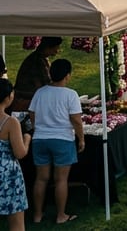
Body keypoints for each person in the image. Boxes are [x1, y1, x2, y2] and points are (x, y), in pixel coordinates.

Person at [28, 59, 82, 225]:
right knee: (61, 180)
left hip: (40, 139)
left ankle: (37, 215)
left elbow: (32, 113)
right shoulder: (70, 95)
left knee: (41, 178)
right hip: (62, 140)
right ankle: (60, 215)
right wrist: (81, 138)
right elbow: (76, 120)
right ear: (67, 75)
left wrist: (39, 127)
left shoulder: (40, 92)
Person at [0, 79, 30, 229]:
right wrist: (27, 139)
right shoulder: (10, 122)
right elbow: (20, 153)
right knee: (16, 222)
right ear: (8, 97)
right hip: (8, 175)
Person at [13, 37, 61, 113]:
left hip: (30, 97)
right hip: (26, 99)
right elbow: (48, 84)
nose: (57, 51)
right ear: (48, 47)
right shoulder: (37, 60)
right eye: (55, 49)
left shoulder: (40, 58)